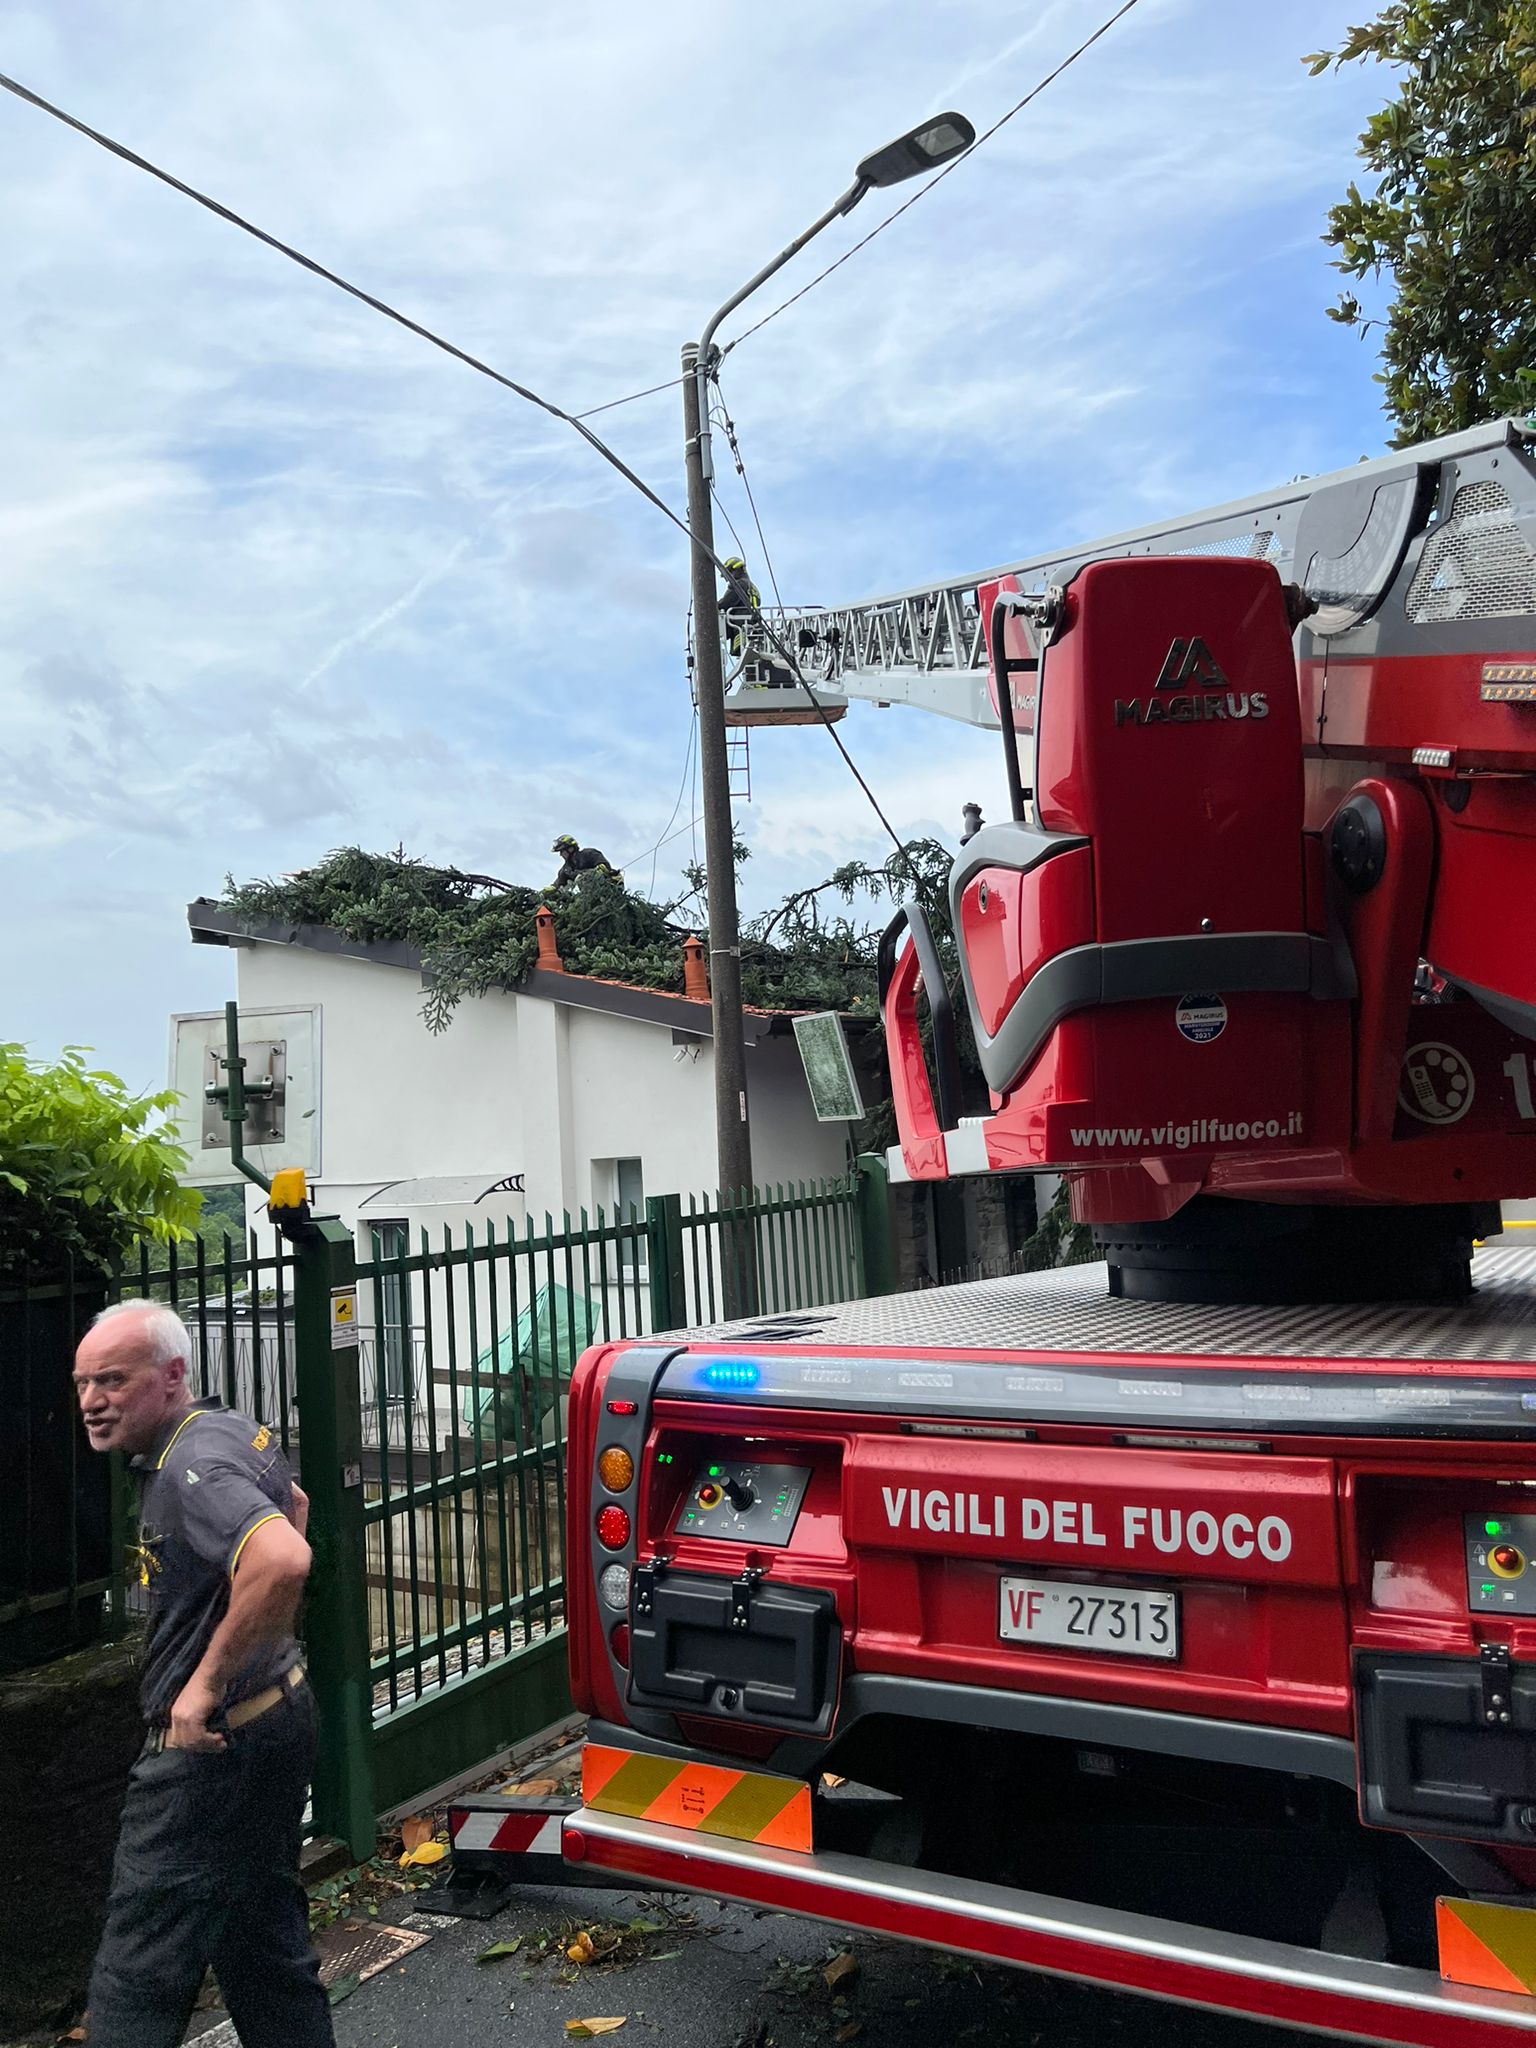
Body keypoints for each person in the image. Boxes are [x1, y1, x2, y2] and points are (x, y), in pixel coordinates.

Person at [75, 1299, 334, 2048]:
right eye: (84, 1382)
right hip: (276, 1718)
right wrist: (260, 1642)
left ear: (172, 1376)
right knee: (263, 1948)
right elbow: (296, 1505)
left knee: (138, 1970)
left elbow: (284, 1555)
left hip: (208, 1753)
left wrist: (203, 1686)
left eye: (114, 1380)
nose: (93, 1401)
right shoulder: (226, 1430)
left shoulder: (191, 1463)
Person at [718, 555, 761, 658]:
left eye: (729, 574)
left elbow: (726, 603)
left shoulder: (740, 584)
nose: (728, 580)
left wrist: (712, 605)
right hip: (752, 626)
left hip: (741, 628)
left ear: (737, 570)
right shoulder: (751, 586)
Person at [551, 833, 619, 888]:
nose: (561, 855)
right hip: (582, 896)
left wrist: (599, 870)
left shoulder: (589, 854)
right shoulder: (566, 869)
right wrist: (551, 889)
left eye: (562, 851)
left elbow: (606, 867)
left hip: (603, 889)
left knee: (580, 878)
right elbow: (558, 884)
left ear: (570, 848)